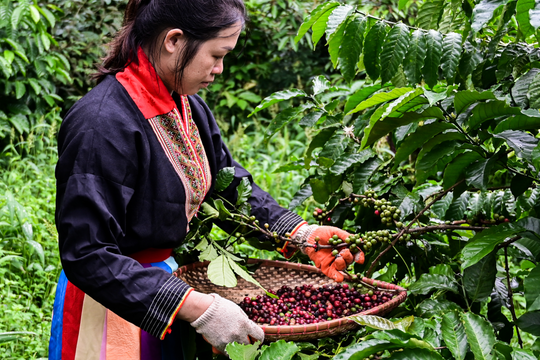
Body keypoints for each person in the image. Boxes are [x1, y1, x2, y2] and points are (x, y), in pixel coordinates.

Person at [49, 0, 364, 358]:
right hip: (114, 303)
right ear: (174, 41)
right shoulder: (102, 123)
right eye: (216, 54)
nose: (220, 69)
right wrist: (198, 308)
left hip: (171, 288)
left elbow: (227, 186)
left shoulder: (187, 105)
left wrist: (300, 235)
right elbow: (87, 253)